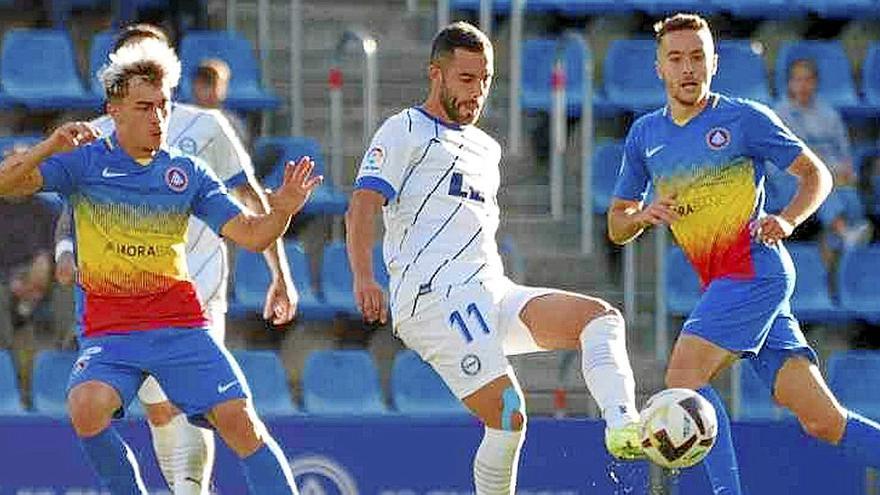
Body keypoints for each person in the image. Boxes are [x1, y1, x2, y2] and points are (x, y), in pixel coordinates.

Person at [0, 37, 319, 494]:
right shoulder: (84, 162)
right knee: (86, 406)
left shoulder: (187, 172)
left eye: (164, 106)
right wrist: (48, 146)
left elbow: (252, 234)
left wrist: (283, 210)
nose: (158, 118)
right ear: (115, 111)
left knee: (240, 420)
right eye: (145, 107)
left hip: (179, 325)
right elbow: (6, 185)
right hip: (111, 330)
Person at [345, 22, 643, 494]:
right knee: (509, 413)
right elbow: (362, 205)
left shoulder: (487, 148)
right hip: (432, 299)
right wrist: (364, 276)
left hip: (491, 292)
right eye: (466, 79)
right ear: (435, 75)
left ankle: (625, 426)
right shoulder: (404, 129)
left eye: (486, 80)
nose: (478, 92)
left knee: (600, 319)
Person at [608, 13, 880, 494]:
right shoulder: (645, 136)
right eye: (676, 58)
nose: (687, 67)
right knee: (823, 421)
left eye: (697, 57)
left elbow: (816, 175)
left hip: (755, 270)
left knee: (682, 377)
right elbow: (616, 224)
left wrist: (789, 219)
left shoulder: (744, 118)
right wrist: (642, 215)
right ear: (659, 68)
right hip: (728, 284)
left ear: (713, 62)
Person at [774, 58, 871, 270]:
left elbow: (844, 152)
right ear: (789, 83)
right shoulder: (779, 115)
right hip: (793, 179)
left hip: (833, 175)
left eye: (808, 80)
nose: (803, 86)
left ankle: (840, 241)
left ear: (816, 82)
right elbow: (783, 160)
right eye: (797, 80)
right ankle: (845, 232)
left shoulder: (829, 115)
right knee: (823, 186)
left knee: (846, 193)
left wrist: (847, 170)